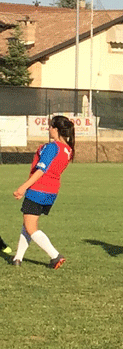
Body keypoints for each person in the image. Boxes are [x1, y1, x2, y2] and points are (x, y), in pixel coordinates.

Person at [11, 115, 76, 269]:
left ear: (57, 129)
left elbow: (41, 170)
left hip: (38, 189)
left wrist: (23, 187)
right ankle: (17, 259)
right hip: (51, 192)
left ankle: (55, 256)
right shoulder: (68, 150)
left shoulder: (53, 147)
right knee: (27, 224)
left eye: (51, 127)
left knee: (31, 227)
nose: (49, 129)